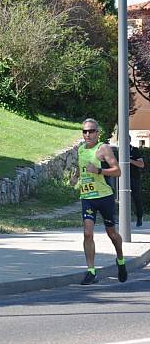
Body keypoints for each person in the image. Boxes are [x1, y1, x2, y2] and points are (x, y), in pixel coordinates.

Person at [70, 118, 128, 285]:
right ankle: (91, 271)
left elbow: (117, 171)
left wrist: (99, 170)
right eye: (85, 131)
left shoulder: (103, 149)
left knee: (112, 234)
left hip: (104, 197)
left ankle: (121, 260)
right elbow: (82, 169)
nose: (87, 134)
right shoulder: (80, 150)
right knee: (87, 233)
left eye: (91, 131)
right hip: (87, 198)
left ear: (97, 133)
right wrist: (75, 178)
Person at [129, 136, 145, 227]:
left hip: (134, 178)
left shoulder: (134, 150)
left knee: (136, 197)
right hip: (121, 178)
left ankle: (139, 217)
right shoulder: (118, 151)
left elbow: (141, 164)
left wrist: (130, 160)